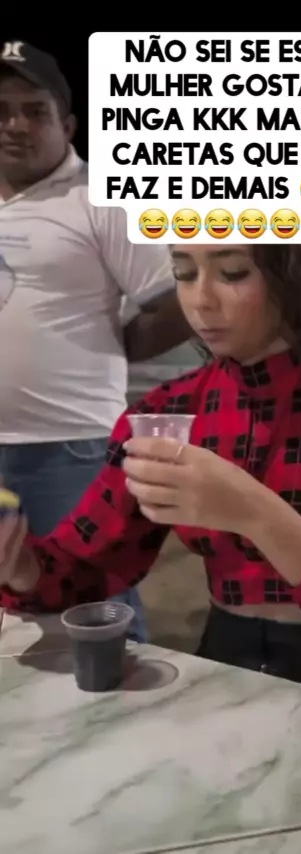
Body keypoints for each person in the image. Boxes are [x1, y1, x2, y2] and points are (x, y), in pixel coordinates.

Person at [0, 243, 301, 715]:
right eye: (184, 274)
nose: (200, 301)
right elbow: (84, 566)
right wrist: (20, 566)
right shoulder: (170, 410)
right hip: (228, 670)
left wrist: (258, 514)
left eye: (232, 272)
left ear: (298, 275)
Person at [0, 42, 191, 641]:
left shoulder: (100, 197)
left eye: (35, 111)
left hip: (72, 447)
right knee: (13, 621)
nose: (16, 125)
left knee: (94, 609)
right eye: (2, 110)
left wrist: (112, 345)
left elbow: (175, 299)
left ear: (68, 125)